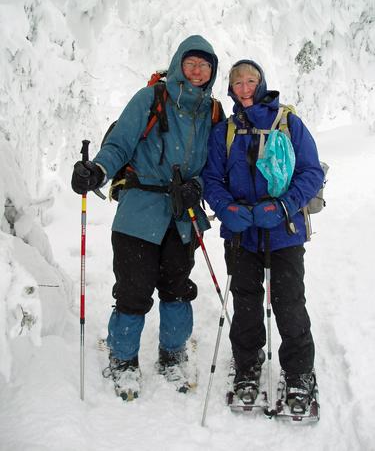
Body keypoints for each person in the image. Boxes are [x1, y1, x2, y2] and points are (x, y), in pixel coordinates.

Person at [71, 35, 222, 401]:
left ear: (212, 72)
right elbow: (120, 144)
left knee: (176, 289)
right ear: (178, 64)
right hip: (139, 211)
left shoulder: (214, 113)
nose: (197, 70)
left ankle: (172, 355)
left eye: (205, 65)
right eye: (191, 63)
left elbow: (217, 166)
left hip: (181, 216)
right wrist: (98, 170)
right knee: (133, 292)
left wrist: (197, 186)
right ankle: (123, 360)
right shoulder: (151, 99)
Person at [202, 59, 324, 414]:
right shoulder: (223, 132)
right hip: (242, 234)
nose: (244, 87)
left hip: (284, 230)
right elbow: (212, 179)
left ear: (262, 82)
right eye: (237, 82)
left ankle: (299, 371)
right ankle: (247, 363)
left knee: (288, 302)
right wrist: (226, 208)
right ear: (230, 88)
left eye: (251, 80)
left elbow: (311, 172)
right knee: (246, 302)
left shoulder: (288, 123)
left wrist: (284, 207)